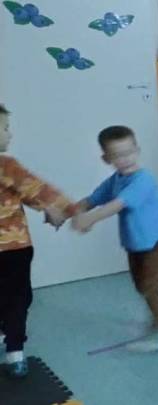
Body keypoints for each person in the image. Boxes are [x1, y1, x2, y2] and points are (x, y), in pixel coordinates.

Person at [72, 126, 158, 352]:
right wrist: (72, 211)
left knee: (150, 285)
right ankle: (156, 315)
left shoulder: (143, 179)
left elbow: (118, 204)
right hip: (134, 243)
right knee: (141, 285)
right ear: (106, 159)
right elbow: (92, 200)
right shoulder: (115, 180)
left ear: (137, 150)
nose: (125, 159)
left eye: (129, 152)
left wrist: (90, 219)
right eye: (118, 155)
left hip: (155, 241)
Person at [0, 103, 74, 378]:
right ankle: (15, 353)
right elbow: (36, 189)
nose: (10, 133)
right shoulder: (7, 165)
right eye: (5, 128)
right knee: (19, 298)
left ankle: (5, 332)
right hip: (14, 249)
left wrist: (47, 208)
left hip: (13, 250)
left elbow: (27, 193)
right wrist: (65, 208)